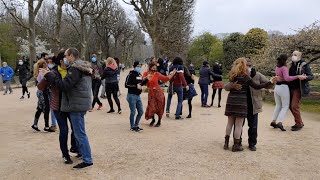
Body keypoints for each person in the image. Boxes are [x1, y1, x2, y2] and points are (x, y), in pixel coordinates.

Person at [43, 48, 93, 169]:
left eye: (65, 55)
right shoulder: (83, 67)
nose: (64, 58)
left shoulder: (75, 69)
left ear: (71, 56)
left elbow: (65, 86)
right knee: (78, 132)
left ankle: (87, 159)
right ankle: (83, 154)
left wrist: (49, 76)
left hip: (76, 104)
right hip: (79, 103)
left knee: (80, 133)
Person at [224, 58, 274, 152]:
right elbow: (256, 86)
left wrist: (271, 83)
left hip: (243, 103)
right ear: (244, 65)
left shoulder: (235, 75)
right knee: (238, 125)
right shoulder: (243, 76)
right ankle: (237, 144)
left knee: (240, 124)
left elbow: (266, 85)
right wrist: (232, 86)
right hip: (241, 102)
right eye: (247, 65)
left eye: (250, 65)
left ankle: (231, 143)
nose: (249, 67)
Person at [38, 51, 79, 164]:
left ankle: (74, 147)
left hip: (70, 105)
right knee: (64, 130)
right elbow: (40, 86)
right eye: (65, 57)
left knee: (75, 128)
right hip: (58, 106)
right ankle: (65, 154)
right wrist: (45, 77)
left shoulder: (72, 70)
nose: (68, 59)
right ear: (61, 60)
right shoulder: (53, 72)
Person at [271, 54, 306, 131]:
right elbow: (287, 78)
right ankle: (280, 122)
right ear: (285, 60)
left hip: (277, 87)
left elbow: (278, 77)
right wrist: (297, 76)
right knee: (285, 106)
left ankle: (273, 121)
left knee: (278, 105)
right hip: (283, 87)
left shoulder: (277, 67)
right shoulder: (284, 68)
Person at [143, 62, 176, 127]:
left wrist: (172, 74)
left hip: (158, 93)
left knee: (159, 107)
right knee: (151, 107)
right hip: (151, 93)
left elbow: (166, 78)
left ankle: (159, 121)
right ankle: (153, 119)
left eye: (155, 67)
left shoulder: (157, 74)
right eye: (153, 66)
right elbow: (143, 80)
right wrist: (147, 77)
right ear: (150, 67)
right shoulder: (146, 73)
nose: (154, 68)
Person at [288, 51, 314, 131]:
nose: (293, 56)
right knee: (290, 106)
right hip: (290, 88)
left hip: (298, 88)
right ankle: (299, 122)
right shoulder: (290, 65)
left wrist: (305, 77)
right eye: (292, 54)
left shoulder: (304, 65)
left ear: (299, 56)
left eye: (295, 55)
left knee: (294, 106)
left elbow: (311, 76)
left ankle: (298, 124)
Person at [125, 61, 148, 132]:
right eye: (138, 66)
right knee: (133, 112)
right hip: (131, 95)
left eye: (140, 66)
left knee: (140, 111)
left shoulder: (139, 75)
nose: (139, 67)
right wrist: (135, 86)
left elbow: (141, 83)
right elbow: (126, 84)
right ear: (134, 66)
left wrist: (146, 79)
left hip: (138, 96)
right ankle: (132, 127)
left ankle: (136, 125)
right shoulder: (131, 74)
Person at [31, 59, 53, 132]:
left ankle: (35, 124)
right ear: (43, 65)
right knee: (46, 108)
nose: (46, 64)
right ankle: (46, 126)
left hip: (40, 91)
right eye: (45, 64)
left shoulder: (38, 71)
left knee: (39, 108)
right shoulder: (43, 72)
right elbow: (48, 80)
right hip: (44, 91)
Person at [47, 57, 58, 132]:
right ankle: (54, 124)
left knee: (53, 107)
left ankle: (54, 124)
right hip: (53, 89)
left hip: (53, 90)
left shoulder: (53, 70)